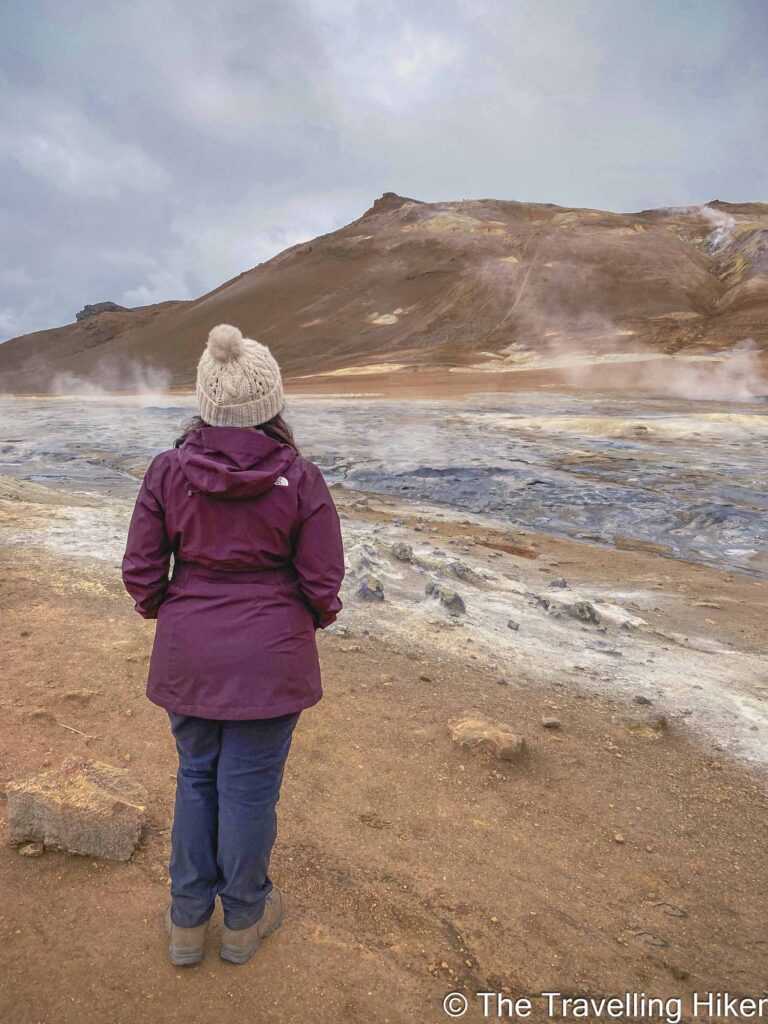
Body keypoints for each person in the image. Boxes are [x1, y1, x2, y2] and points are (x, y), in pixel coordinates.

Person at [122, 323, 345, 967]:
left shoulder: (168, 470)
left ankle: (186, 923)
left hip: (189, 651)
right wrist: (305, 621)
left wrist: (171, 609)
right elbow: (323, 580)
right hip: (271, 658)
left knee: (196, 777)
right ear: (271, 403)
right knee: (248, 788)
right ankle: (244, 922)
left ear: (205, 401)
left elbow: (141, 570)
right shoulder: (301, 477)